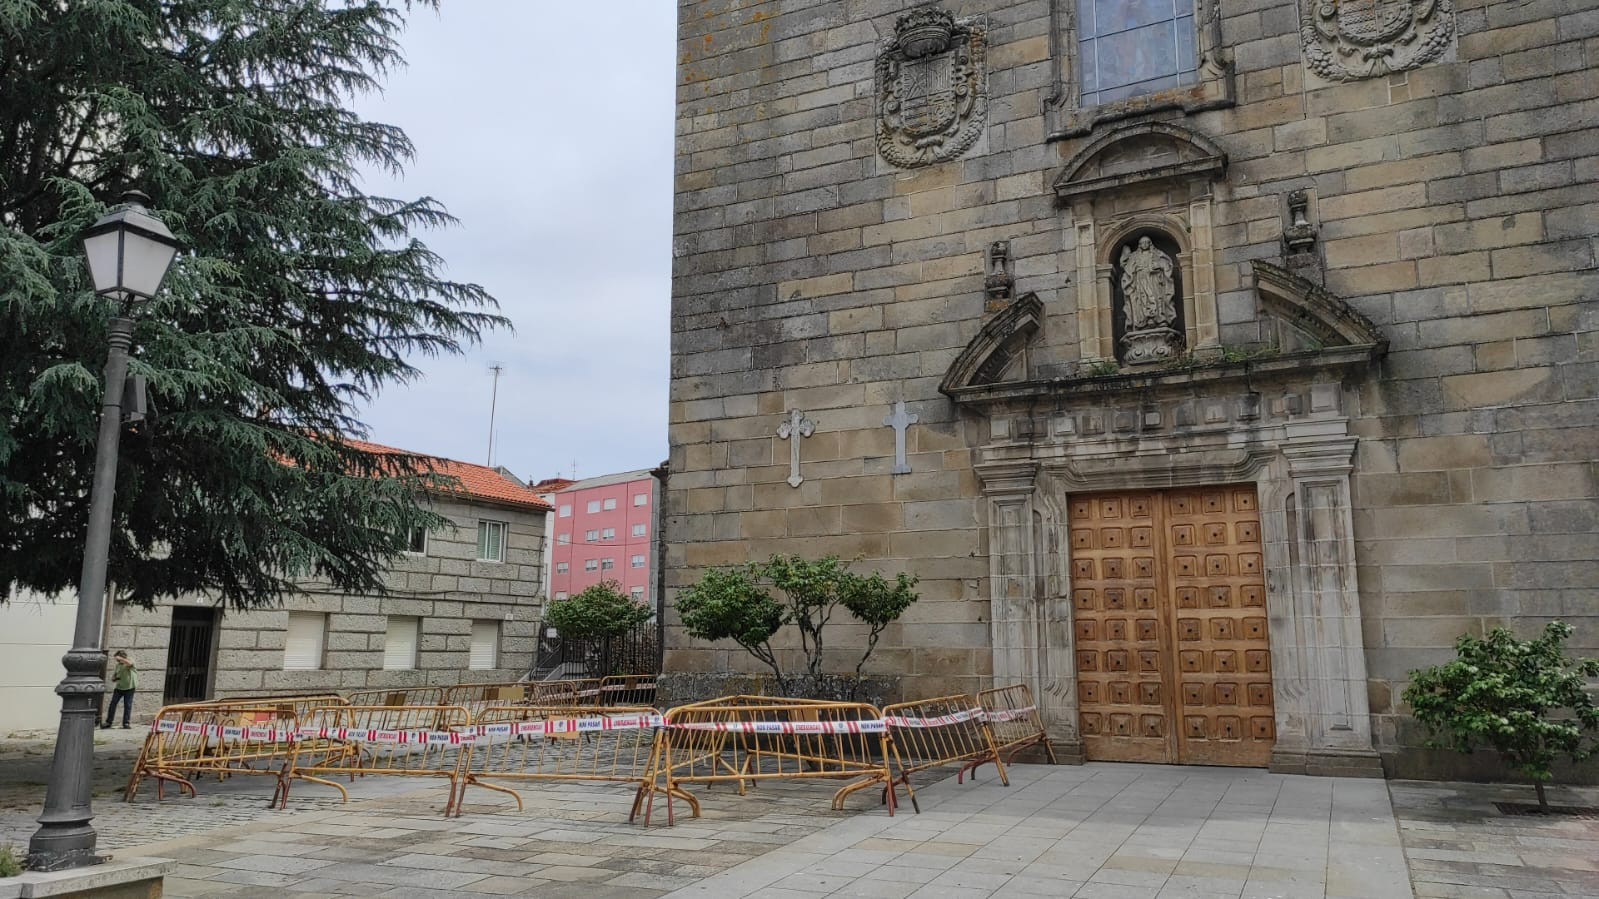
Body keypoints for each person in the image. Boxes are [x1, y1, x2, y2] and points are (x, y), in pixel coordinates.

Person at [103, 651, 137, 729]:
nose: (116, 660)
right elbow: (114, 676)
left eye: (117, 658)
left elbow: (130, 664)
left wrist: (121, 658)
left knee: (127, 705)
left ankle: (126, 723)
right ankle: (108, 722)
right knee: (113, 704)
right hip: (119, 687)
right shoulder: (118, 665)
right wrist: (114, 678)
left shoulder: (130, 660)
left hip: (129, 687)